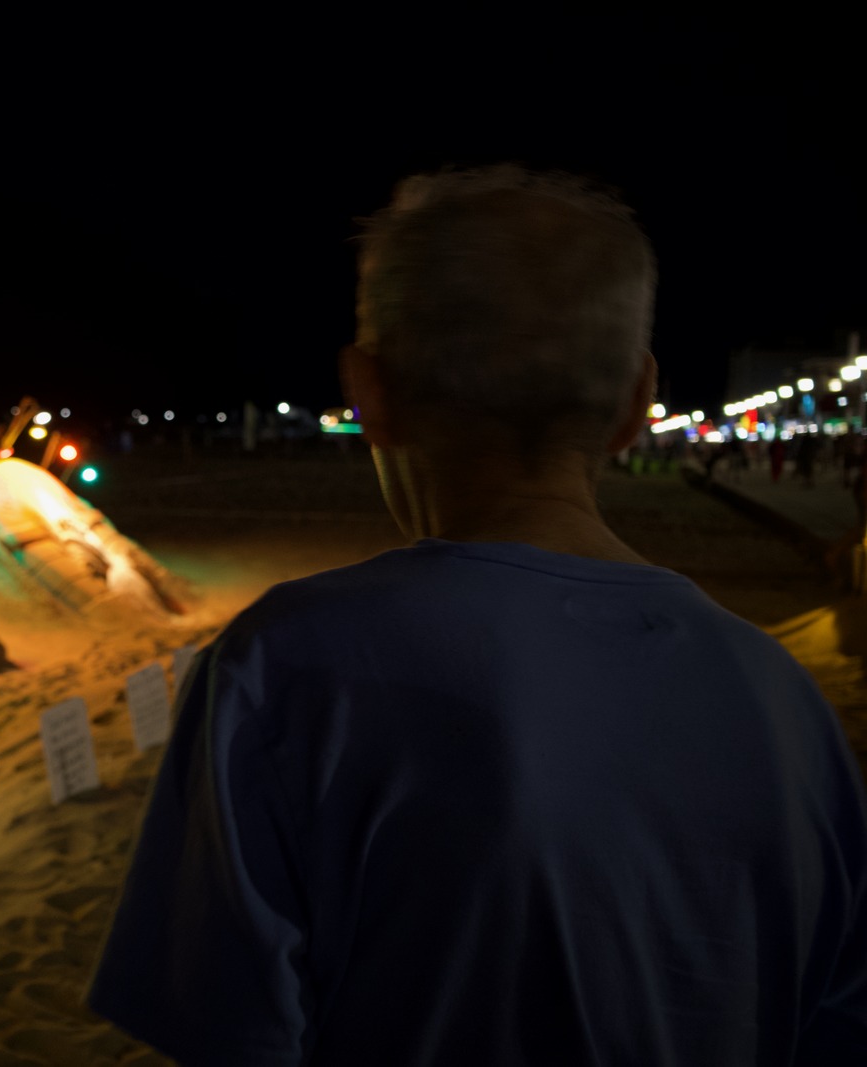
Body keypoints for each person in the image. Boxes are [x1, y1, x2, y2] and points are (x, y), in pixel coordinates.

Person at [86, 165, 867, 1065]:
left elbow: (226, 1029)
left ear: (369, 393)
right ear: (634, 406)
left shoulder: (285, 667)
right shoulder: (783, 701)